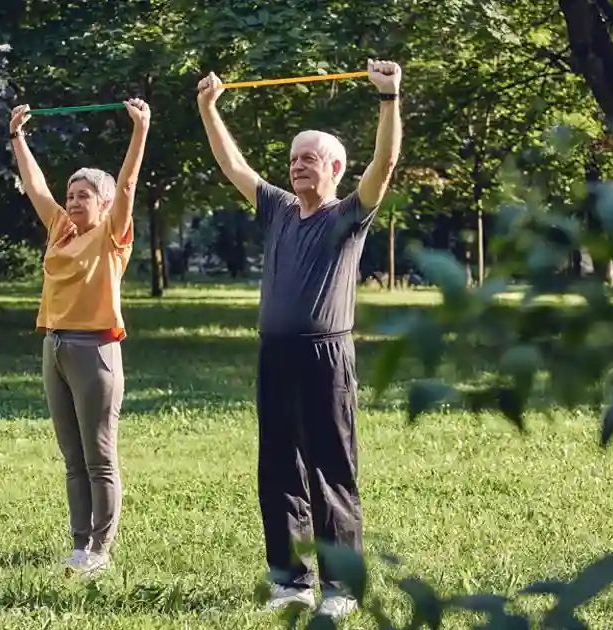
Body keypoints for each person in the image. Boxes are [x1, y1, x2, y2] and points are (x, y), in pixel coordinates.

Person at [196, 59, 402, 619]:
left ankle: (342, 588)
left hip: (326, 355)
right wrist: (209, 109)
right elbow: (234, 165)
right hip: (277, 354)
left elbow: (384, 166)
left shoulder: (348, 216)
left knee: (331, 469)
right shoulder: (281, 209)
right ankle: (292, 581)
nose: (298, 167)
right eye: (293, 160)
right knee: (279, 468)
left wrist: (388, 100)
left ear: (335, 166)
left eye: (309, 159)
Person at [8, 98, 150, 576]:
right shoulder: (60, 230)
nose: (72, 201)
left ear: (103, 203)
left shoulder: (112, 233)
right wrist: (18, 138)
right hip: (55, 347)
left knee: (99, 456)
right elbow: (33, 185)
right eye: (71, 194)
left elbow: (128, 182)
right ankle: (78, 543)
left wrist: (140, 129)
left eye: (83, 195)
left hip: (95, 350)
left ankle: (100, 550)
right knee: (72, 456)